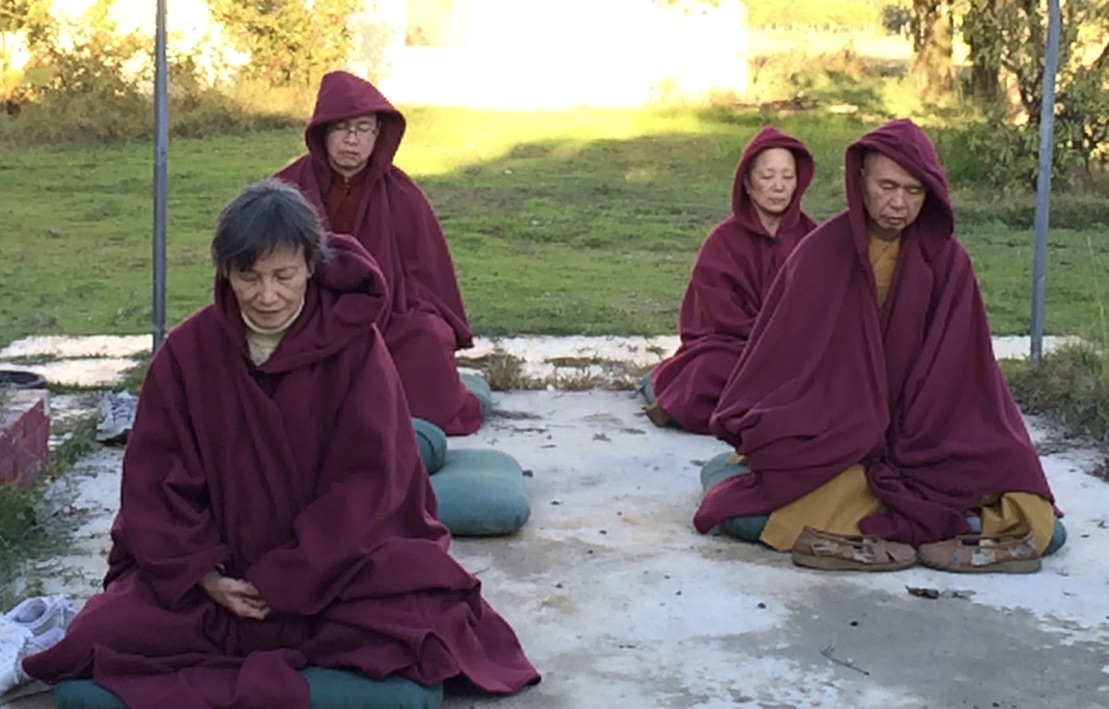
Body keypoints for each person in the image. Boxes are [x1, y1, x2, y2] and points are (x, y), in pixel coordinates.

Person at [22, 180, 540, 705]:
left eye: (283, 276)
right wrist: (205, 576)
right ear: (225, 272)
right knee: (101, 635)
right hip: (217, 572)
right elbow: (155, 483)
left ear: (311, 267)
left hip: (333, 570)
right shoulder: (187, 353)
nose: (267, 295)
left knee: (417, 627)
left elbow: (367, 485)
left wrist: (287, 578)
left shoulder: (356, 349)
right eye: (248, 276)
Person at [694, 119, 1065, 573]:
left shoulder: (949, 262)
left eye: (914, 191)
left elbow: (964, 374)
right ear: (860, 180)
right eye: (887, 186)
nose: (898, 204)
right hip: (839, 432)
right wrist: (845, 419)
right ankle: (959, 528)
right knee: (750, 500)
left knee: (1036, 513)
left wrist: (917, 432)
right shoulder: (818, 255)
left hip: (928, 436)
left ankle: (903, 528)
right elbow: (784, 366)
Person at [275, 70, 483, 436]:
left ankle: (412, 431)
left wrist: (408, 309)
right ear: (322, 132)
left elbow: (424, 276)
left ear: (378, 134)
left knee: (428, 336)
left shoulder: (402, 194)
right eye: (341, 128)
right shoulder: (288, 189)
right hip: (311, 312)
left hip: (384, 316)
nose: (352, 140)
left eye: (364, 128)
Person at [643, 126, 817, 433]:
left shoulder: (813, 238)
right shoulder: (723, 240)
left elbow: (826, 304)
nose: (778, 186)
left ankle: (764, 407)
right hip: (736, 347)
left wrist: (794, 341)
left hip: (797, 350)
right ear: (748, 183)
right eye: (767, 176)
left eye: (787, 177)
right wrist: (767, 340)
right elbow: (717, 313)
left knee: (831, 373)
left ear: (798, 182)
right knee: (705, 372)